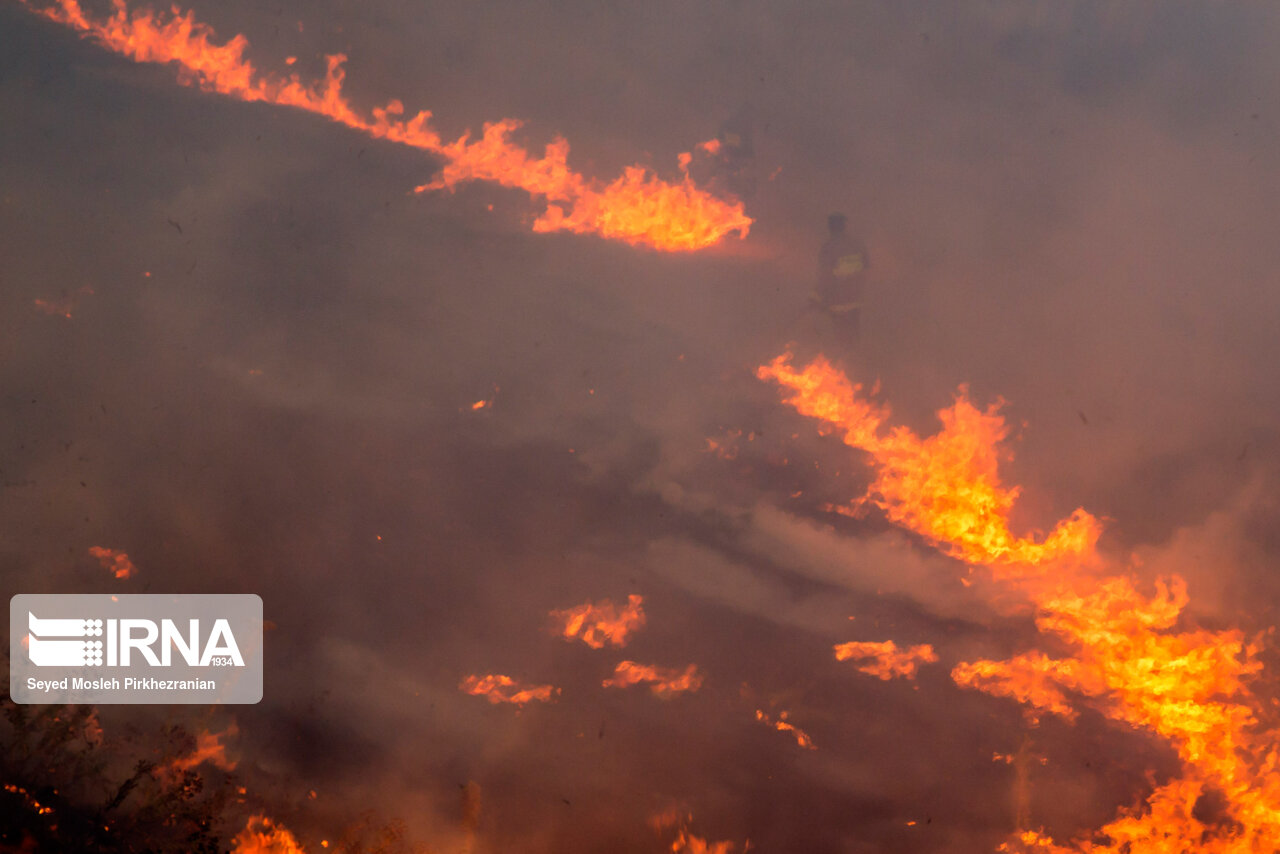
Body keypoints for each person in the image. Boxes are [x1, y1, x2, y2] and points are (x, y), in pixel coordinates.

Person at [811, 213, 869, 344]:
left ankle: (844, 361)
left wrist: (815, 298)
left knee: (841, 338)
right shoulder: (857, 245)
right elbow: (866, 269)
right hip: (855, 301)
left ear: (830, 228)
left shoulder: (829, 247)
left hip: (837, 302)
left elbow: (824, 276)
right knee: (853, 336)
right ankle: (854, 360)